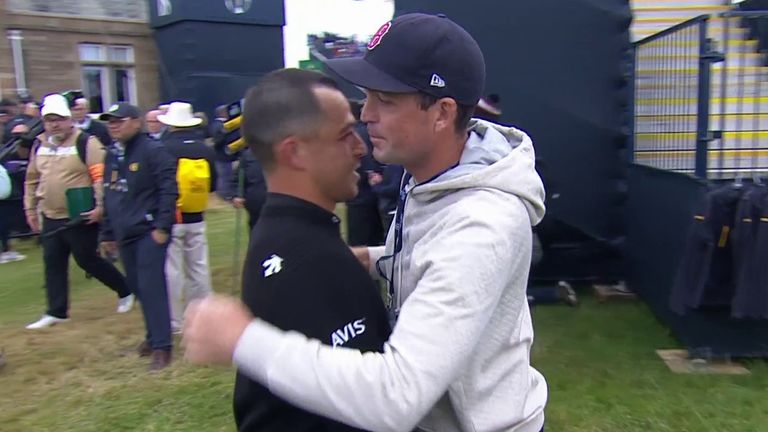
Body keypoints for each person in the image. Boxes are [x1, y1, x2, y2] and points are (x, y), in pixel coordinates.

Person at [184, 13, 548, 432]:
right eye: (367, 96)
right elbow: (436, 255)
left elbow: (396, 396)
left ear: (442, 113)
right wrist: (377, 258)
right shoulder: (434, 175)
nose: (366, 113)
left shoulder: (482, 224)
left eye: (386, 100)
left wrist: (242, 339)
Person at [237, 68, 392, 431]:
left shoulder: (309, 239)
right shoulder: (299, 261)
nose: (360, 147)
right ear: (295, 152)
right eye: (344, 135)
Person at [24, 94, 133, 330]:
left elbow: (99, 176)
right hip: (50, 214)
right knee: (52, 261)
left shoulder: (86, 142)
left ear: (68, 119)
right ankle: (57, 311)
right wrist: (30, 208)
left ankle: (124, 289)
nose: (54, 124)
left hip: (79, 214)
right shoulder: (39, 144)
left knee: (88, 260)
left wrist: (100, 207)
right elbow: (31, 179)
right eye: (49, 120)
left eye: (59, 119)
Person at [99, 102, 177, 371]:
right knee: (138, 285)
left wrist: (162, 227)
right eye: (110, 121)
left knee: (151, 285)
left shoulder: (153, 151)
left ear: (136, 122)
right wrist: (107, 231)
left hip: (148, 231)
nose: (114, 125)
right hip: (124, 231)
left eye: (119, 120)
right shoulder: (112, 154)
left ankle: (162, 346)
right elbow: (110, 193)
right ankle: (152, 335)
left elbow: (169, 190)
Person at [157, 101, 218, 334]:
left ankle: (175, 321)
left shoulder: (163, 147)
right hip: (197, 215)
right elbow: (212, 185)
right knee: (199, 267)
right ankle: (204, 314)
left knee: (172, 270)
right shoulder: (205, 149)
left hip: (172, 215)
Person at [231, 148, 267, 234]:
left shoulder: (282, 152)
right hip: (256, 201)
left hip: (279, 200)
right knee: (257, 231)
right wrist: (238, 195)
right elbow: (239, 178)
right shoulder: (248, 155)